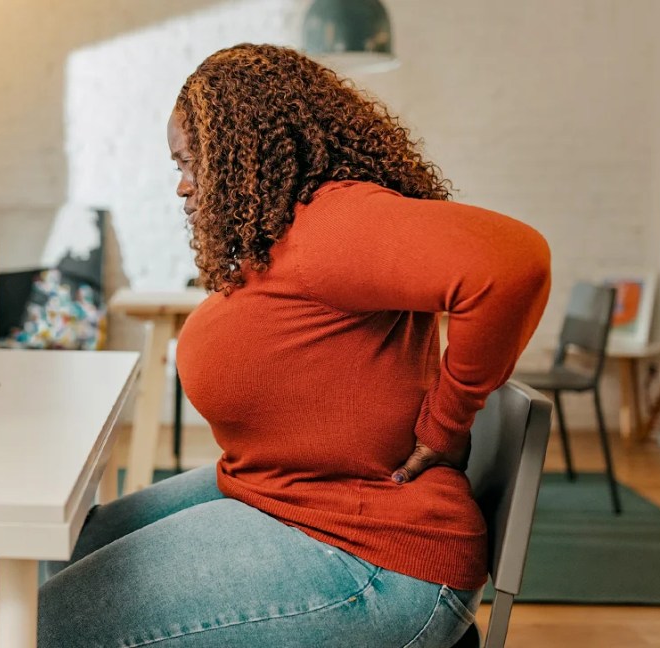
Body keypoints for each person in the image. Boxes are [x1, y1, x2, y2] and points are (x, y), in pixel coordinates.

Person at [38, 43, 551, 648]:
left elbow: (511, 263)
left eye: (188, 162)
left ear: (238, 148)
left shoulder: (333, 222)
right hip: (291, 495)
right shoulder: (283, 233)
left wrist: (448, 423)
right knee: (61, 548)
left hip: (375, 557)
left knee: (50, 623)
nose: (181, 187)